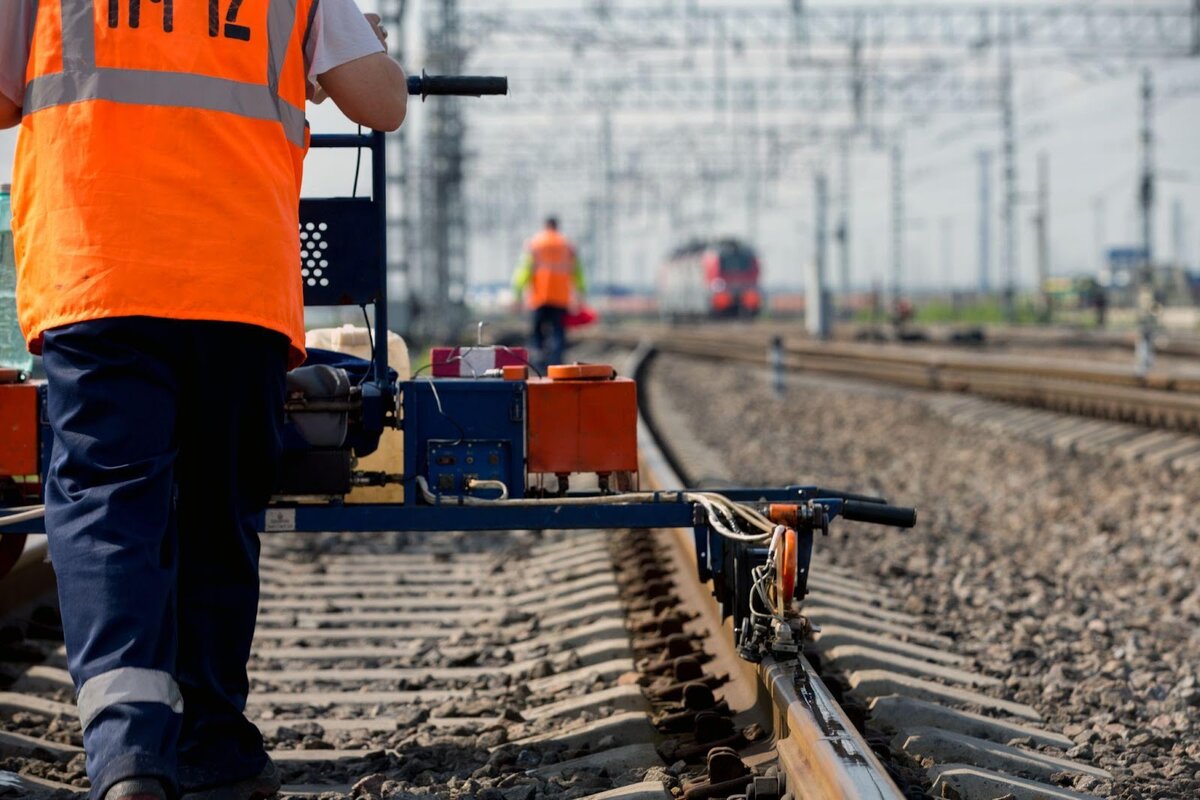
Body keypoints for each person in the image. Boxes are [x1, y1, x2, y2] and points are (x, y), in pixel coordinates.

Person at [0, 2, 407, 799]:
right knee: (219, 509)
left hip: (98, 270)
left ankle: (129, 758)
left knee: (111, 503)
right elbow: (382, 103)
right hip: (237, 280)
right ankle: (216, 746)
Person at [512, 217, 586, 370]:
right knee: (558, 332)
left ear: (545, 226)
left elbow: (524, 270)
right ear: (557, 226)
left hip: (539, 297)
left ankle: (539, 366)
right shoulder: (567, 244)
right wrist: (581, 292)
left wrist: (517, 293)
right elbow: (577, 271)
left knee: (537, 332)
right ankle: (556, 365)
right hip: (560, 297)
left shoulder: (536, 243)